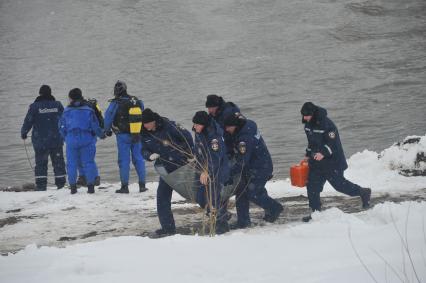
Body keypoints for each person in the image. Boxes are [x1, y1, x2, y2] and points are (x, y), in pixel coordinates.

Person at [300, 102, 371, 222]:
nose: (304, 118)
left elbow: (333, 144)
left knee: (340, 186)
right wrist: (307, 155)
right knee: (312, 186)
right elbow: (311, 143)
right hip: (316, 162)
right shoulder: (307, 125)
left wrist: (323, 153)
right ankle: (315, 213)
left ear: (313, 114)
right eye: (303, 115)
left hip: (332, 162)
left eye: (307, 115)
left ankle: (363, 192)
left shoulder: (327, 125)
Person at [140, 109, 194, 236]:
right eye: (144, 124)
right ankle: (168, 228)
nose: (146, 126)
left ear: (154, 121)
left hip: (181, 165)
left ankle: (220, 214)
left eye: (148, 123)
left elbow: (187, 136)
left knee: (196, 194)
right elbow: (143, 150)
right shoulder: (144, 133)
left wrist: (190, 154)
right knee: (162, 197)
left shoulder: (168, 126)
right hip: (165, 169)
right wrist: (149, 155)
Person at [224, 114, 283, 228]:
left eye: (228, 127)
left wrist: (229, 173)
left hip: (260, 167)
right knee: (242, 193)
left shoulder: (244, 139)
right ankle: (243, 222)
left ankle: (274, 208)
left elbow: (242, 162)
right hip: (256, 164)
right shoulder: (247, 124)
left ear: (235, 126)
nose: (226, 130)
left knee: (253, 193)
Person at [104, 80, 147, 193]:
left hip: (122, 135)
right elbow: (143, 114)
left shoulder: (116, 103)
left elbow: (108, 116)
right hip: (137, 134)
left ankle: (124, 186)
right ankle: (142, 185)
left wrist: (106, 130)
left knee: (124, 161)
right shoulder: (136, 101)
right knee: (139, 159)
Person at [59, 88, 105, 194]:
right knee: (89, 162)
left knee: (71, 164)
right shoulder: (88, 110)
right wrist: (101, 135)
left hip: (71, 139)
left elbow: (61, 127)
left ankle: (73, 188)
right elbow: (95, 126)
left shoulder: (66, 111)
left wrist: (66, 137)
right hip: (86, 138)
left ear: (71, 98)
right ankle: (90, 187)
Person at [21, 85, 66, 191]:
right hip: (56, 140)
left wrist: (24, 132)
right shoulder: (58, 105)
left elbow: (28, 121)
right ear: (50, 93)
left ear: (40, 94)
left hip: (41, 141)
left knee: (41, 163)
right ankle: (61, 185)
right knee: (58, 163)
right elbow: (65, 119)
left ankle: (41, 186)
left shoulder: (34, 106)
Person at [192, 111, 230, 234]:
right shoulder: (198, 132)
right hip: (202, 170)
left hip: (216, 170)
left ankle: (221, 226)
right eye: (194, 124)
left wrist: (207, 171)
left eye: (197, 124)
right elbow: (198, 149)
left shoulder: (214, 137)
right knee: (200, 197)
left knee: (214, 199)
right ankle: (222, 215)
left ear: (204, 125)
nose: (194, 127)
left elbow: (215, 157)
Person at [76, 98, 103, 187]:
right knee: (89, 158)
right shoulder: (92, 107)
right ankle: (93, 177)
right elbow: (99, 122)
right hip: (91, 134)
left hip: (84, 135)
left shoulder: (80, 108)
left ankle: (84, 177)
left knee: (81, 157)